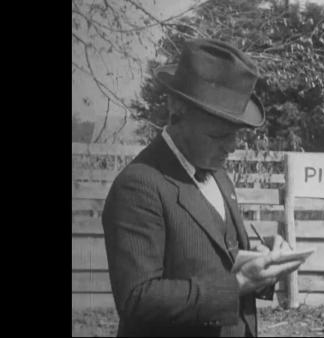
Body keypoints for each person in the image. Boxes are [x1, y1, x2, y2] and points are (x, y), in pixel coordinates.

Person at [102, 38, 304, 337]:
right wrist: (236, 285)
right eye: (219, 135)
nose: (232, 147)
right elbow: (137, 299)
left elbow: (218, 258)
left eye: (236, 134)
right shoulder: (139, 185)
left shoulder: (219, 175)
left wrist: (262, 263)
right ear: (177, 109)